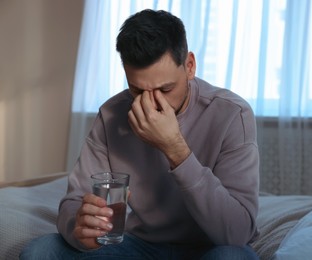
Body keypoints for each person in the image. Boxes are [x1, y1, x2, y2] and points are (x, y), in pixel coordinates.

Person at [20, 9, 260, 259]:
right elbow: (75, 202)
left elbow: (237, 232)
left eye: (166, 89)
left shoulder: (232, 114)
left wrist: (175, 149)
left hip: (209, 246)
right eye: (136, 90)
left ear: (189, 66)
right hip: (138, 246)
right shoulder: (111, 114)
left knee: (233, 256)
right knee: (41, 252)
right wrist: (79, 228)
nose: (151, 103)